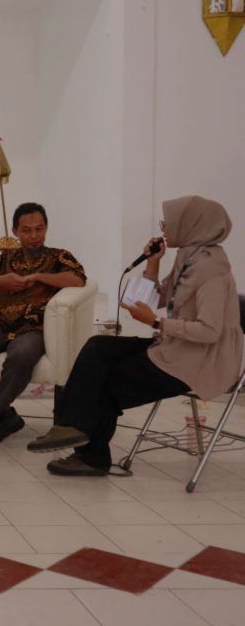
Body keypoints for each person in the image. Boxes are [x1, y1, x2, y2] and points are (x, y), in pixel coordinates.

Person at [28, 195, 242, 475]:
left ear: (191, 224)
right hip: (177, 347)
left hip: (200, 361)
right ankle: (69, 426)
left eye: (169, 222)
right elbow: (151, 300)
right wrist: (153, 263)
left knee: (108, 380)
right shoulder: (189, 257)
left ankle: (92, 457)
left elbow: (209, 331)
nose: (164, 227)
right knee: (98, 347)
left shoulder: (211, 268)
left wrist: (156, 322)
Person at [0, 202, 87, 443]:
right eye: (27, 230)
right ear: (15, 232)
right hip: (0, 323)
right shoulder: (5, 258)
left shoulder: (58, 256)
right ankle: (6, 416)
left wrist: (39, 277)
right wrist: (1, 281)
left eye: (39, 229)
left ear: (46, 228)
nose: (34, 236)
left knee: (21, 356)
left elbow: (77, 280)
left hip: (34, 326)